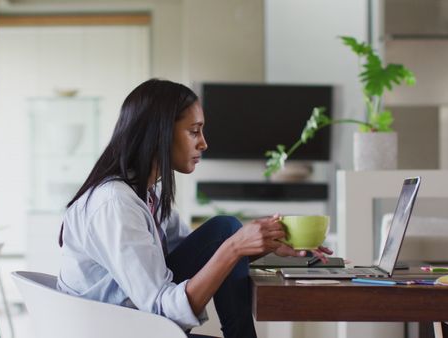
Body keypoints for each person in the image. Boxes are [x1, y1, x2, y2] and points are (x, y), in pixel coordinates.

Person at [57, 79, 332, 338]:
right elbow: (162, 312)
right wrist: (234, 246)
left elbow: (203, 255)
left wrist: (263, 245)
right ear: (159, 134)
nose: (203, 143)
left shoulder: (148, 193)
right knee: (227, 231)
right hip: (121, 330)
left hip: (135, 325)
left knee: (225, 230)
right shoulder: (115, 204)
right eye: (193, 131)